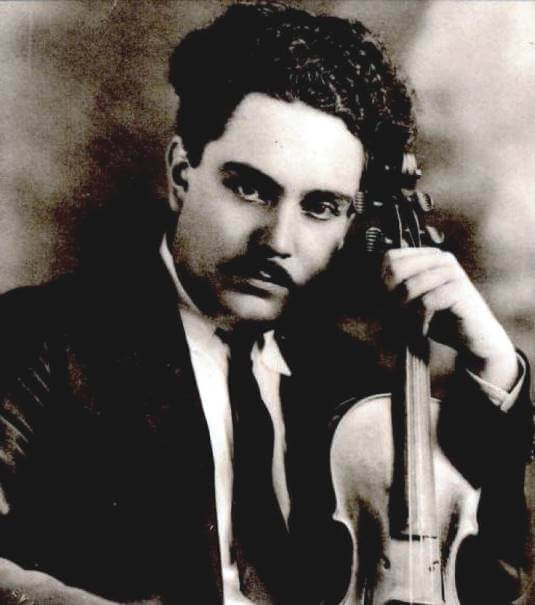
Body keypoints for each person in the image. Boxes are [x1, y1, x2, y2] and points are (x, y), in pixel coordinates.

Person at [0, 2, 532, 604]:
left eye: (320, 207)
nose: (279, 240)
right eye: (251, 189)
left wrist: (493, 367)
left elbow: (485, 584)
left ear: (349, 223)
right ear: (181, 173)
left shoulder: (355, 389)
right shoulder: (39, 339)